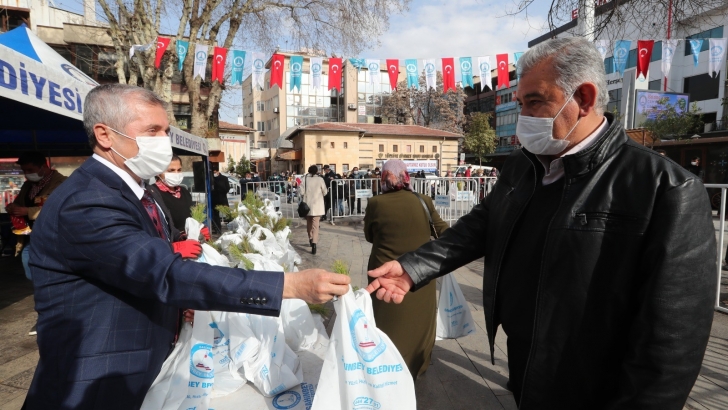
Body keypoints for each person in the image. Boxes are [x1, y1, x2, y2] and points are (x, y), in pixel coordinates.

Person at [366, 37, 715, 409]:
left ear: (583, 98)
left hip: (597, 388)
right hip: (526, 368)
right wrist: (412, 268)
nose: (524, 117)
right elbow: (479, 227)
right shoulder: (523, 165)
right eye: (520, 104)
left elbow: (672, 342)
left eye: (535, 101)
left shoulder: (665, 188)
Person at [23, 84, 350, 410]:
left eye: (166, 130)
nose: (164, 141)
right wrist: (288, 285)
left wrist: (179, 307)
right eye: (152, 130)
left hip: (142, 369)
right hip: (95, 384)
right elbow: (163, 272)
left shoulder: (139, 191)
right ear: (105, 135)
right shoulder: (88, 201)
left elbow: (138, 272)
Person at [364, 160, 447, 380]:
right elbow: (443, 230)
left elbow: (369, 236)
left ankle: (387, 365)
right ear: (406, 177)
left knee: (385, 321)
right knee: (420, 321)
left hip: (384, 275)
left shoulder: (375, 204)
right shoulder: (424, 201)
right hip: (420, 273)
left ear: (383, 179)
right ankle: (418, 364)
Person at [6, 151, 67, 336]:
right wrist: (13, 207)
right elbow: (20, 203)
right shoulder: (28, 185)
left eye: (30, 169)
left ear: (44, 166)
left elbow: (58, 208)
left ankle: (49, 316)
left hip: (53, 237)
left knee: (49, 277)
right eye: (24, 170)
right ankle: (51, 313)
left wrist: (27, 211)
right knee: (33, 274)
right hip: (30, 237)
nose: (27, 173)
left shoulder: (61, 183)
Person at [147, 156, 210, 259]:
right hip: (170, 252)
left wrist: (201, 228)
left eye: (179, 170)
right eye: (171, 170)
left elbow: (192, 217)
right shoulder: (152, 194)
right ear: (159, 172)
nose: (176, 174)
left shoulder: (184, 192)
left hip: (192, 246)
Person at [299, 165, 327, 255]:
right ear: (317, 171)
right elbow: (325, 192)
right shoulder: (320, 179)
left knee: (309, 224)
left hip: (307, 205)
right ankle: (314, 243)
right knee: (316, 225)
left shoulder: (305, 179)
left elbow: (301, 192)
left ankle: (310, 238)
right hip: (317, 205)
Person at [211, 166, 230, 233]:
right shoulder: (212, 178)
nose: (214, 173)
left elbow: (227, 188)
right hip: (215, 199)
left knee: (227, 212)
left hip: (222, 198)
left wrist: (222, 190)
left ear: (218, 171)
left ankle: (231, 226)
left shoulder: (224, 178)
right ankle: (217, 229)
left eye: (215, 172)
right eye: (213, 172)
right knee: (215, 215)